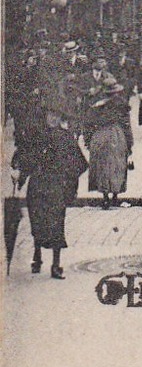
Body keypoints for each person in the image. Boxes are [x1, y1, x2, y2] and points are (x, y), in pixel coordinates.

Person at [23, 106, 87, 278]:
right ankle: (37, 256)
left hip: (56, 186)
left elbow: (80, 163)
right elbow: (27, 158)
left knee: (56, 223)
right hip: (37, 185)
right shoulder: (37, 136)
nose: (52, 118)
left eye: (56, 115)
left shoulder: (66, 138)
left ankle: (55, 264)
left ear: (61, 118)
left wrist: (68, 179)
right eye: (49, 115)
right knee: (37, 220)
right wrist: (21, 175)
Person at [81, 58, 132, 208]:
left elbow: (88, 122)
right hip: (117, 135)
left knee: (102, 166)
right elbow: (126, 125)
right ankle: (115, 195)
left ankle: (104, 197)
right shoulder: (121, 104)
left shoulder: (96, 104)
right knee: (117, 165)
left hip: (99, 136)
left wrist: (88, 140)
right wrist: (130, 145)